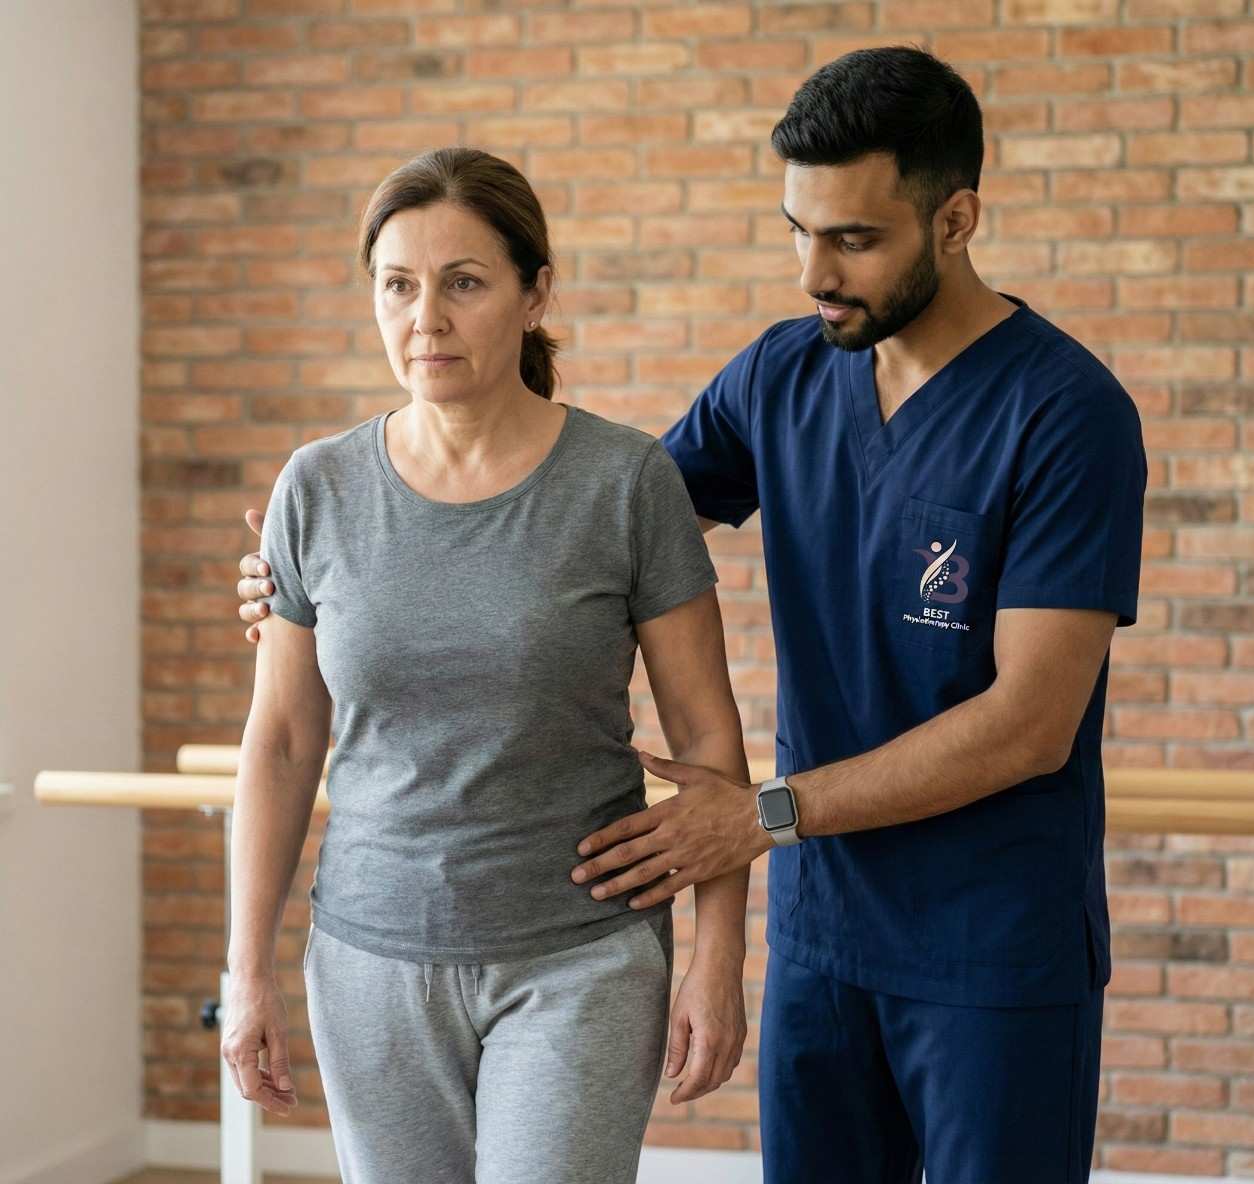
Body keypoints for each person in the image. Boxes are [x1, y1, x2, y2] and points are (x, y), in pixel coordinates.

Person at [235, 48, 1147, 1184]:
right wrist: (310, 575)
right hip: (823, 940)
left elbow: (1030, 722)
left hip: (993, 947)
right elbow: (571, 528)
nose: (814, 271)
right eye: (796, 230)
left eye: (853, 239)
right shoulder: (783, 377)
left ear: (955, 218)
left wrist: (763, 810)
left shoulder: (1065, 415)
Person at [219, 146, 749, 1184]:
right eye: (398, 284)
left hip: (579, 957)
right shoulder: (314, 487)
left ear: (533, 291)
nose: (427, 317)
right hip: (368, 960)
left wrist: (715, 957)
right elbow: (280, 740)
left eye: (464, 282)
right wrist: (247, 971)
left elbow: (707, 738)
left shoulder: (623, 480)